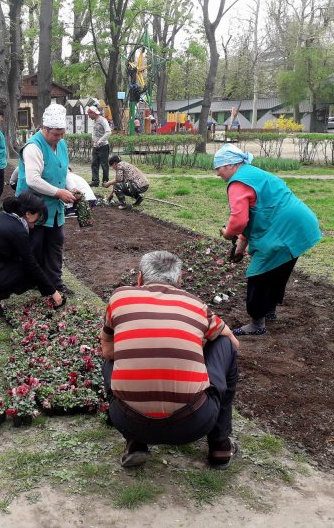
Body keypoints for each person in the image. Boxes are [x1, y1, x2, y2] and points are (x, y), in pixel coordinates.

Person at [100, 251, 240, 469]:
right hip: (193, 424)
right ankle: (220, 445)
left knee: (112, 360)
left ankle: (135, 443)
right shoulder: (197, 306)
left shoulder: (119, 298)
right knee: (224, 344)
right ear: (180, 281)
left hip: (129, 421)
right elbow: (233, 343)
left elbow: (107, 350)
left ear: (139, 278)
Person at [214, 144, 322, 336]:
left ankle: (257, 323)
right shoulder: (252, 173)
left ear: (230, 165)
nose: (217, 174)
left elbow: (238, 221)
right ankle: (270, 310)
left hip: (282, 229)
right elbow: (254, 216)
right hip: (300, 225)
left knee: (259, 274)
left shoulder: (237, 183)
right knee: (278, 268)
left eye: (218, 168)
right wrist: (240, 246)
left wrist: (228, 234)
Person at [0, 191, 64, 318]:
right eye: (38, 215)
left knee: (21, 264)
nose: (37, 221)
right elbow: (31, 265)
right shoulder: (18, 230)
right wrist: (52, 292)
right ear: (28, 214)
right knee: (30, 272)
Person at [16, 103, 77, 295]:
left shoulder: (61, 144)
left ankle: (55, 282)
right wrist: (59, 193)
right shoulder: (34, 147)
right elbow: (33, 179)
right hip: (34, 205)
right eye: (55, 134)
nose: (59, 137)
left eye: (62, 133)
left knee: (55, 241)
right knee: (36, 244)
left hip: (54, 206)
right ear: (45, 128)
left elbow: (62, 168)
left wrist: (71, 188)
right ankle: (34, 281)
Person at [87, 106, 111, 187]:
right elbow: (94, 132)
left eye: (89, 114)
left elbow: (108, 132)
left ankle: (105, 181)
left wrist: (100, 141)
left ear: (93, 113)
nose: (89, 116)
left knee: (104, 164)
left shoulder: (103, 120)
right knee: (94, 164)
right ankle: (95, 181)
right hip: (95, 146)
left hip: (103, 146)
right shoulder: (95, 121)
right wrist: (93, 139)